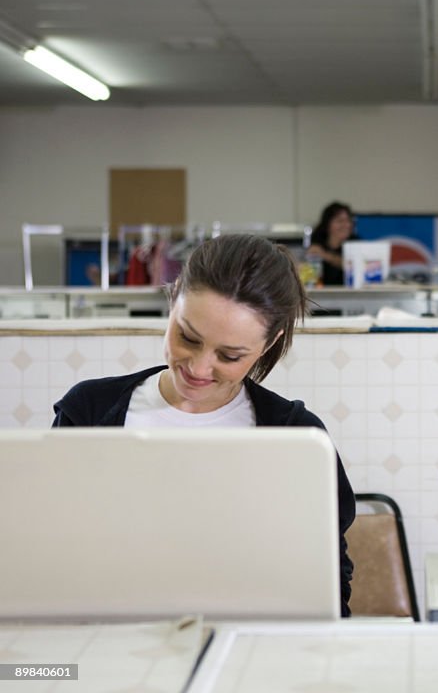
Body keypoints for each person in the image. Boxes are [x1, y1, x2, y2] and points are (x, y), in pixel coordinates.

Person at [52, 233, 357, 616]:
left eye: (229, 355)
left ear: (270, 341)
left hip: (252, 650)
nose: (198, 369)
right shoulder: (89, 412)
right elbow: (54, 551)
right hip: (109, 641)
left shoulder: (296, 437)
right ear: (173, 300)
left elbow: (327, 577)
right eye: (188, 337)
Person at [307, 202, 357, 285]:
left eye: (349, 221)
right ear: (327, 224)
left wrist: (325, 255)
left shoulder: (356, 243)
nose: (346, 225)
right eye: (340, 221)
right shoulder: (317, 242)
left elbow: (355, 265)